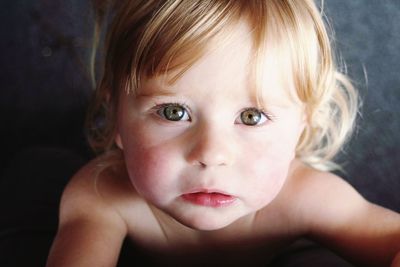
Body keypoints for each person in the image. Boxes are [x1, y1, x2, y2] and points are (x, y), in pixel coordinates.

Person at [46, 0, 400, 266]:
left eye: (251, 116)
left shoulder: (305, 197)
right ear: (116, 117)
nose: (212, 153)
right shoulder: (101, 195)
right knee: (38, 169)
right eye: (174, 112)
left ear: (300, 126)